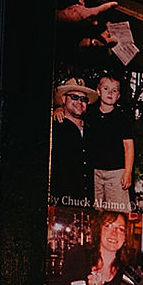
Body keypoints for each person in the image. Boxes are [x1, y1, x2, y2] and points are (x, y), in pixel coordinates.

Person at [53, 210, 135, 285]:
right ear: (99, 230)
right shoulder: (78, 256)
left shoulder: (126, 274)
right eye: (108, 226)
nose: (114, 233)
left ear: (125, 237)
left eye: (121, 229)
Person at [89, 74, 135, 212]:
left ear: (119, 96)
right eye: (106, 88)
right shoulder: (90, 114)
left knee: (118, 211)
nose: (110, 93)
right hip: (95, 173)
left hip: (116, 174)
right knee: (97, 211)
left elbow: (129, 147)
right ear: (98, 91)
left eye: (114, 90)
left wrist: (128, 172)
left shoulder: (122, 118)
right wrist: (58, 109)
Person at [51, 76, 97, 207]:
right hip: (61, 204)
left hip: (87, 205)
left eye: (83, 99)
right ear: (63, 99)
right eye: (74, 97)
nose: (79, 102)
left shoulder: (91, 130)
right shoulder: (54, 128)